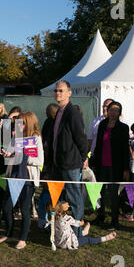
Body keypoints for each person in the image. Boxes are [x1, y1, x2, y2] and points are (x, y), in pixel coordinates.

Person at [0, 111, 44, 249]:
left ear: (29, 123)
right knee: (7, 207)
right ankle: (9, 233)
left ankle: (22, 238)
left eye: (21, 122)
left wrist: (24, 156)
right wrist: (7, 155)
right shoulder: (16, 137)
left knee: (24, 209)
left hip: (27, 179)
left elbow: (39, 160)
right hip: (13, 177)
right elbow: (10, 157)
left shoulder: (34, 138)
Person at [48, 80, 89, 237]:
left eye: (61, 90)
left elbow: (81, 139)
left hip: (70, 163)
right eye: (56, 90)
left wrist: (82, 158)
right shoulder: (59, 112)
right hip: (59, 162)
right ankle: (62, 228)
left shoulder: (73, 113)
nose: (58, 93)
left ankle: (77, 231)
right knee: (60, 198)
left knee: (74, 198)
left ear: (69, 93)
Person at [90, 101, 130, 230]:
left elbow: (125, 149)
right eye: (111, 109)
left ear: (119, 112)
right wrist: (94, 162)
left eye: (116, 110)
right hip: (101, 164)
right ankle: (100, 215)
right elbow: (98, 144)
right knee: (100, 192)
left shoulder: (123, 128)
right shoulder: (102, 124)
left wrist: (125, 168)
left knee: (113, 194)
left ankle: (114, 220)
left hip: (115, 166)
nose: (113, 113)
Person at [49, 201, 116, 250]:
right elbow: (78, 223)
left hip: (58, 243)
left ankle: (84, 232)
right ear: (61, 208)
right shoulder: (67, 218)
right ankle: (105, 238)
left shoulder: (52, 218)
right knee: (87, 239)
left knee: (70, 231)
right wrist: (82, 222)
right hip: (69, 244)